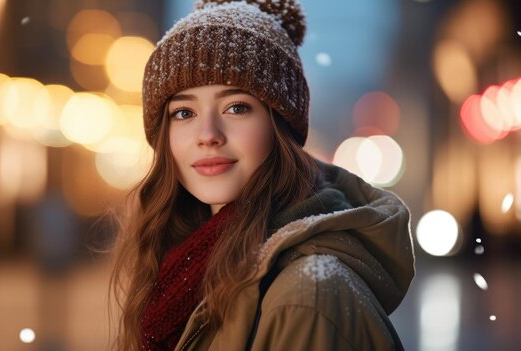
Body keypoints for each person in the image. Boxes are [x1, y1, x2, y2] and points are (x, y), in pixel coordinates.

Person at [108, 0, 415, 350]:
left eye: (236, 107)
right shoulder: (180, 266)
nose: (207, 133)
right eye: (183, 112)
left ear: (279, 125)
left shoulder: (308, 297)